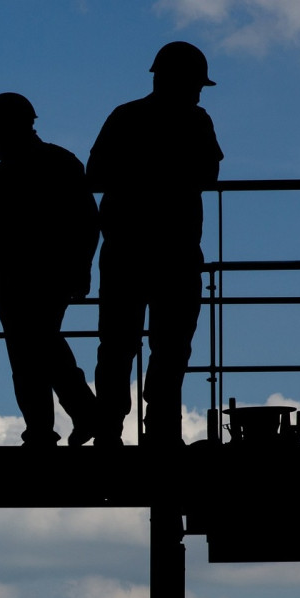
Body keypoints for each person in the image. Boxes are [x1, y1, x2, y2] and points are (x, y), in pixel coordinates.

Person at [87, 41, 224, 447]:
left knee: (117, 345)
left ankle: (110, 430)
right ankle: (161, 429)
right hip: (175, 252)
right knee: (171, 345)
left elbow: (94, 176)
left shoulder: (126, 117)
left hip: (127, 250)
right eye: (196, 84)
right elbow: (208, 175)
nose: (199, 92)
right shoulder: (196, 122)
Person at [0, 92, 99, 447]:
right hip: (45, 277)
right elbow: (89, 223)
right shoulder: (60, 163)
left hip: (19, 279)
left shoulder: (3, 175)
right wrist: (82, 270)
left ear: (9, 129)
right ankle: (75, 418)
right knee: (41, 347)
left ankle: (51, 427)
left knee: (31, 353)